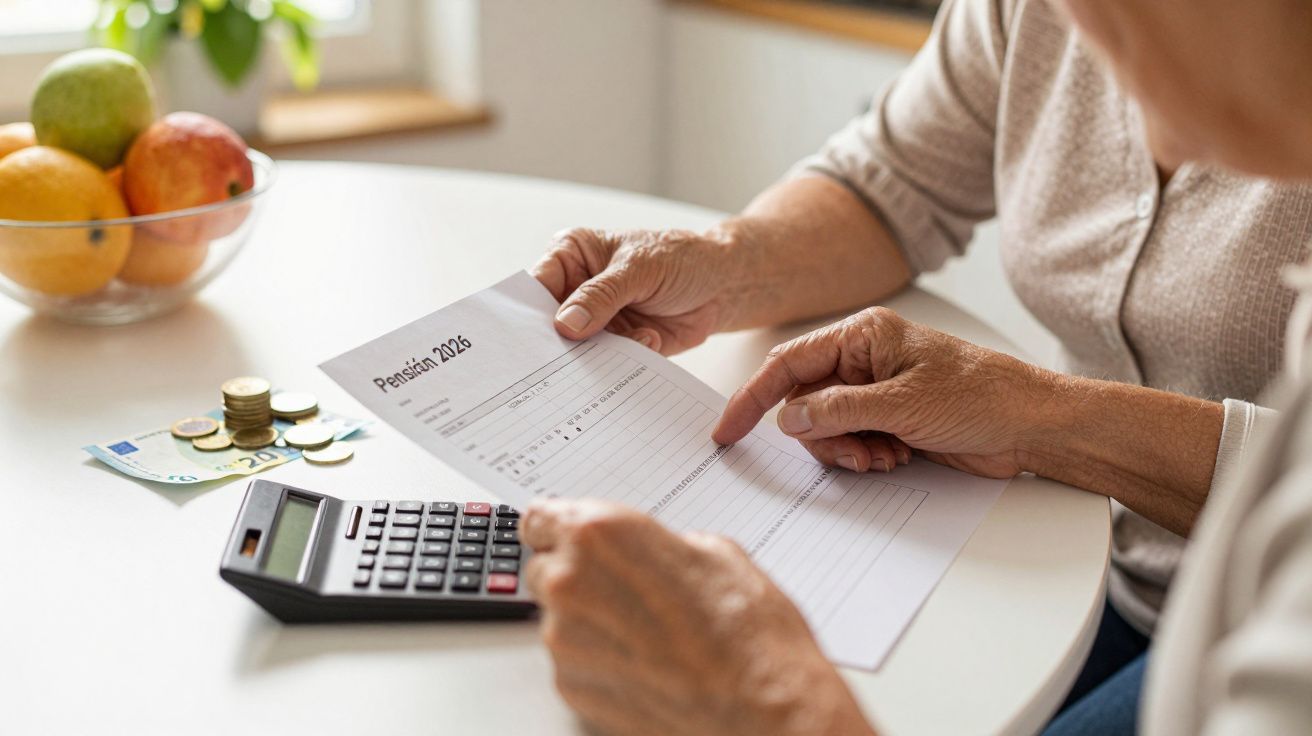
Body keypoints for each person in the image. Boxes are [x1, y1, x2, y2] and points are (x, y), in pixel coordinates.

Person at [518, 0, 1312, 733]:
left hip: (1219, 600)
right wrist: (728, 262)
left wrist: (759, 699)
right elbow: (890, 181)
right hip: (1097, 555)